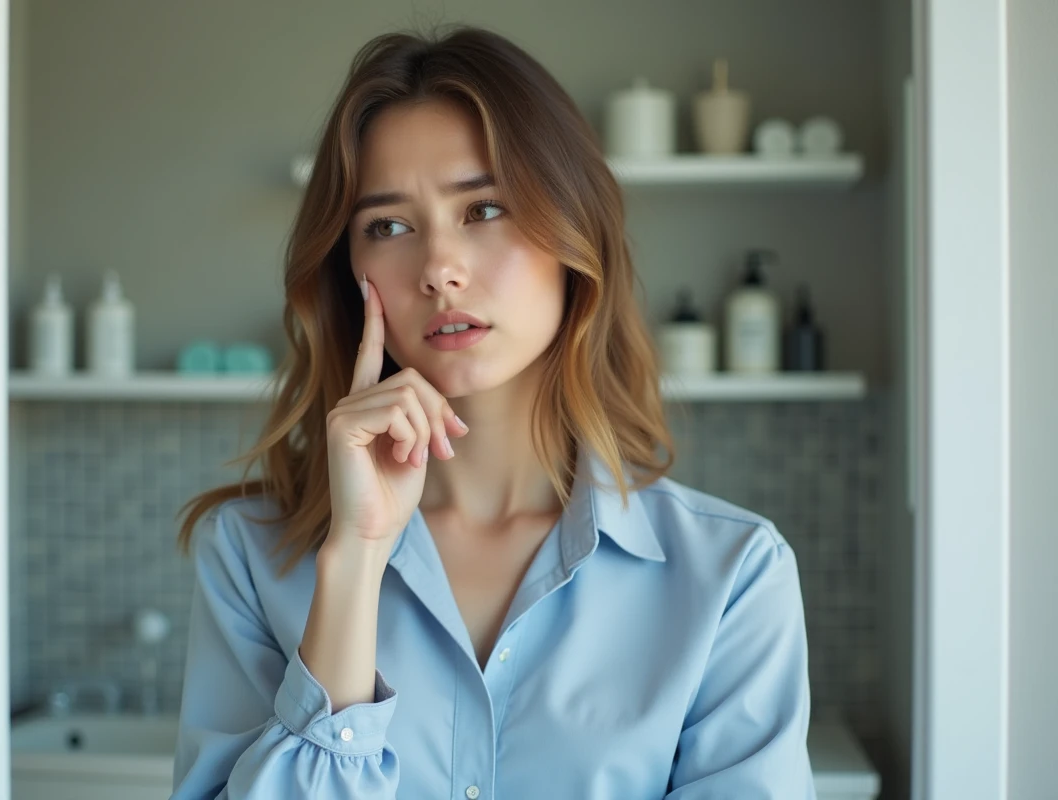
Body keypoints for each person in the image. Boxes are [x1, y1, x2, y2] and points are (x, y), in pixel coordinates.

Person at [169, 24, 814, 800]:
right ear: (351, 274)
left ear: (574, 235)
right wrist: (356, 562)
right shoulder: (245, 558)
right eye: (389, 226)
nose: (439, 269)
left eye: (484, 209)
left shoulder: (733, 578)